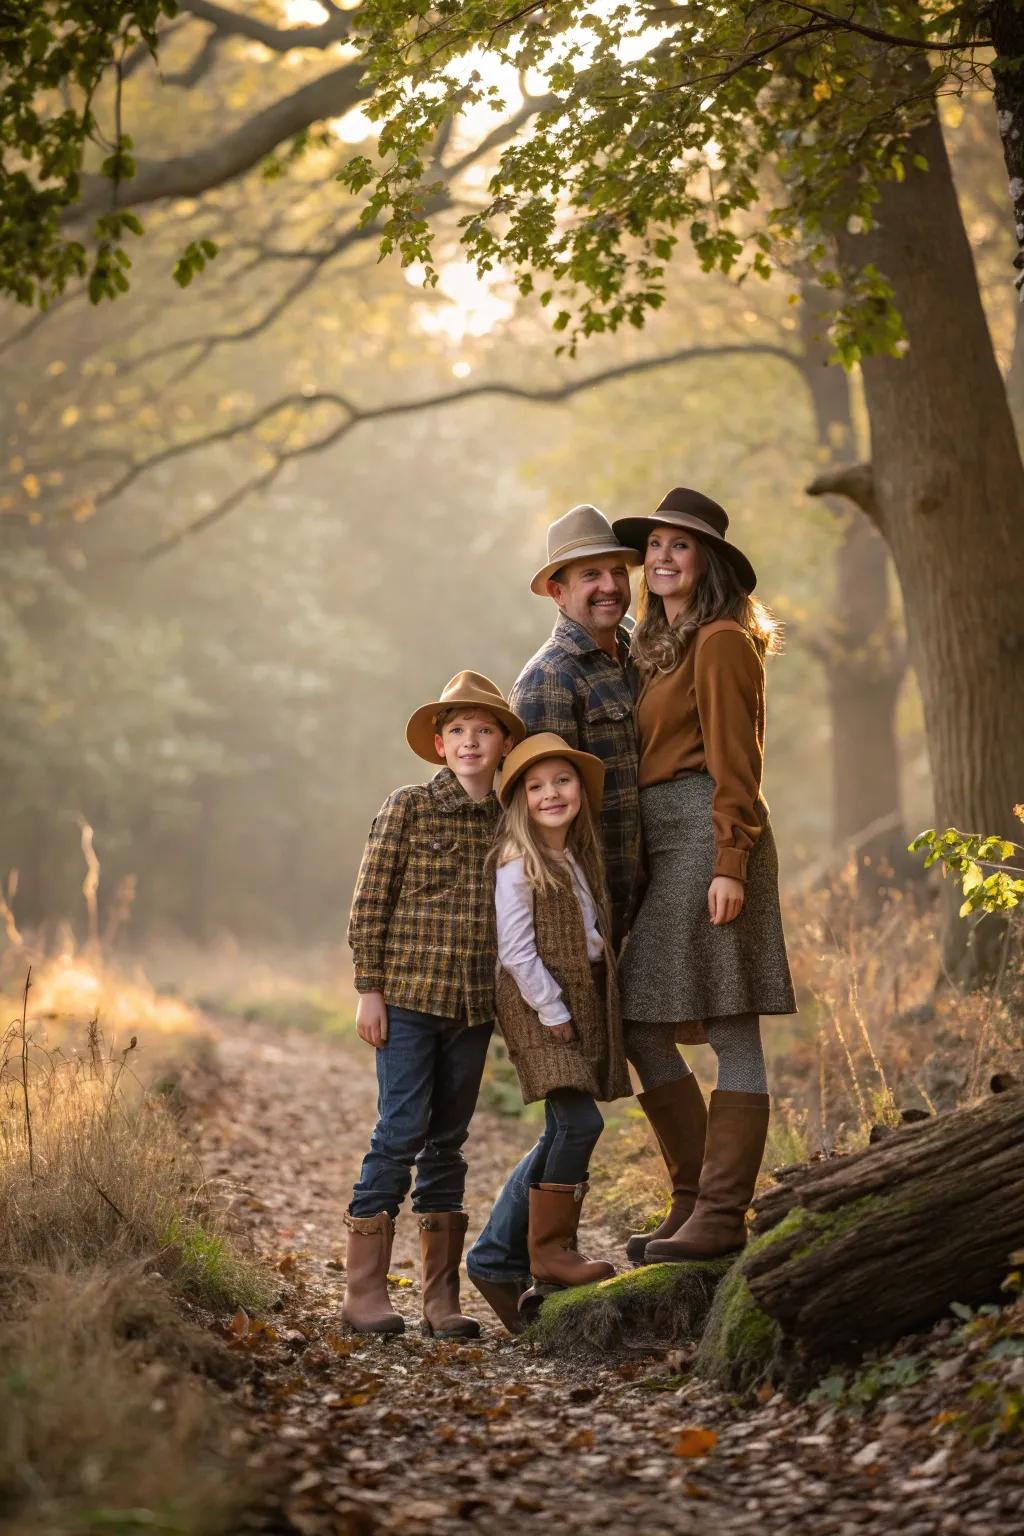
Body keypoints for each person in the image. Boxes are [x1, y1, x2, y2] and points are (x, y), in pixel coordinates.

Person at [612, 487, 796, 1263]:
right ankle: (691, 1202)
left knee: (726, 1022)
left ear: (708, 561)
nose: (660, 557)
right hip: (669, 843)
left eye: (678, 546)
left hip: (709, 837)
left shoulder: (721, 640)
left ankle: (720, 1216)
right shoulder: (663, 648)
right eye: (653, 545)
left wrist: (731, 862)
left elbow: (737, 762)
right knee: (644, 1021)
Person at [343, 671, 525, 1337]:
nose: (470, 741)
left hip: (472, 1009)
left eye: (483, 730)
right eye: (457, 731)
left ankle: (440, 1300)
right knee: (399, 1133)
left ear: (505, 742)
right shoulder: (409, 807)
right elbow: (370, 900)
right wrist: (370, 988)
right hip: (409, 999)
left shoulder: (512, 822)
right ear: (440, 745)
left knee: (447, 1141)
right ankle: (364, 1293)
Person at [470, 733, 631, 1329]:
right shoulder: (518, 861)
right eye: (535, 787)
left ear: (580, 792)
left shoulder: (577, 857)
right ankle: (552, 1255)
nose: (550, 794)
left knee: (561, 1129)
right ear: (520, 801)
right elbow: (515, 950)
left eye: (561, 781)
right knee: (579, 1120)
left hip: (579, 997)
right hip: (537, 1001)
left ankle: (492, 1256)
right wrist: (553, 1010)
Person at [508, 503, 643, 945]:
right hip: (598, 913)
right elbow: (540, 822)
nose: (610, 586)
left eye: (618, 572)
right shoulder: (549, 678)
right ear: (557, 591)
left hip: (655, 896)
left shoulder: (643, 654)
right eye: (591, 576)